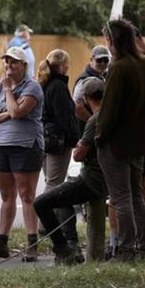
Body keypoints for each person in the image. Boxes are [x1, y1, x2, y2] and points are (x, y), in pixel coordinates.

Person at [0, 46, 44, 262]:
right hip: (0, 145)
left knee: (27, 195)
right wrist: (7, 112)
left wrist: (8, 92)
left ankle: (32, 243)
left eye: (13, 62)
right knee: (6, 196)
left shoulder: (32, 87)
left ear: (24, 65)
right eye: (6, 61)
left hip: (25, 145)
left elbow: (17, 113)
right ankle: (1, 243)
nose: (8, 66)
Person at [34, 77, 107, 264]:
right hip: (105, 178)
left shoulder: (94, 121)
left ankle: (64, 249)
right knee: (65, 197)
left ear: (85, 98)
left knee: (41, 203)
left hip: (91, 179)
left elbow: (78, 155)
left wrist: (79, 147)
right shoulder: (112, 116)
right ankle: (79, 250)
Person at [96, 19, 145, 261]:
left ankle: (126, 250)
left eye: (107, 40)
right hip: (138, 142)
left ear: (113, 42)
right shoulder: (142, 63)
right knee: (136, 196)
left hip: (116, 143)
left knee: (121, 198)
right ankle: (143, 245)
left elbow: (109, 110)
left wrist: (99, 136)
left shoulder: (120, 67)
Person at [37, 49, 79, 192]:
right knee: (54, 184)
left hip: (44, 138)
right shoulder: (58, 86)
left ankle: (52, 214)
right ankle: (46, 213)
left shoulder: (44, 84)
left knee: (50, 180)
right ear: (64, 66)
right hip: (57, 141)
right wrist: (74, 139)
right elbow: (65, 116)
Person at [73, 45, 110, 127]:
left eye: (106, 60)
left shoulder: (104, 76)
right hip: (85, 128)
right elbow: (77, 107)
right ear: (91, 60)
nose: (103, 63)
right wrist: (94, 124)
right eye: (99, 60)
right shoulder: (83, 80)